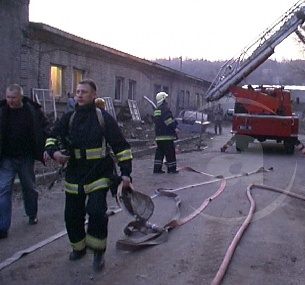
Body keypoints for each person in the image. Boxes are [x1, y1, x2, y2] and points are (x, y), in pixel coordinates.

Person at [44, 79, 132, 271]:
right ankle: (79, 248)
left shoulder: (103, 118)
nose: (80, 95)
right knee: (72, 216)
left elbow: (121, 147)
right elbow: (51, 138)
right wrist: (55, 153)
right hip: (74, 176)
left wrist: (126, 174)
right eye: (77, 92)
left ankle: (98, 252)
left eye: (84, 92)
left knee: (96, 212)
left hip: (100, 173)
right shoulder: (69, 118)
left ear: (93, 95)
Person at [0, 84, 50, 239]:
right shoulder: (2, 111)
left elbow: (45, 129)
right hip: (6, 158)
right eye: (8, 97)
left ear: (20, 97)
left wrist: (47, 148)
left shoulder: (32, 112)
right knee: (3, 190)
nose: (10, 100)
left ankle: (32, 213)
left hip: (25, 158)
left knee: (29, 188)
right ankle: (3, 227)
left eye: (13, 97)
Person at [153, 92, 179, 174]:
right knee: (170, 153)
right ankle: (172, 169)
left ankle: (157, 169)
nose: (167, 100)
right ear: (163, 99)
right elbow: (168, 122)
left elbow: (157, 122)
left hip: (159, 136)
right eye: (166, 98)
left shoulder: (157, 110)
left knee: (159, 153)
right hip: (167, 136)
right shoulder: (165, 109)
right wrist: (175, 124)